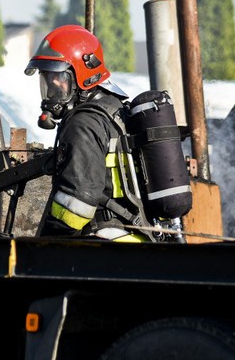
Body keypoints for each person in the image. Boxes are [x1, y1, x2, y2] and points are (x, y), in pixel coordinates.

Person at [24, 25, 149, 242]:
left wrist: (43, 246)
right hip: (131, 238)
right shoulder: (113, 108)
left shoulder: (83, 124)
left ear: (84, 77)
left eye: (59, 77)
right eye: (47, 77)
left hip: (105, 246)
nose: (52, 85)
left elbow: (75, 208)